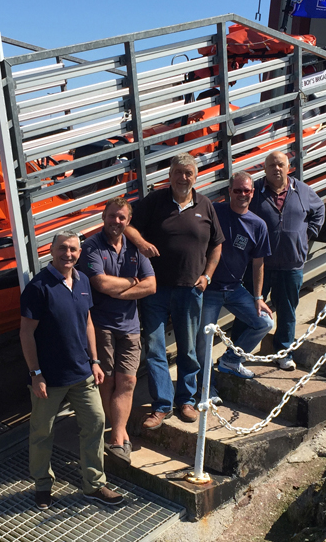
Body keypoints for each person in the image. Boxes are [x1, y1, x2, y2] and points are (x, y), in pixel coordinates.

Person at [19, 231, 124, 510]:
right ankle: (42, 485)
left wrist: (95, 360)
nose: (69, 254)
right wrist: (35, 373)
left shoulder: (83, 281)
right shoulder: (38, 287)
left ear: (79, 253)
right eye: (63, 248)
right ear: (51, 250)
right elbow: (26, 333)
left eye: (74, 250)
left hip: (83, 374)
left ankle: (94, 484)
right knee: (42, 433)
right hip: (49, 379)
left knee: (95, 423)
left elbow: (88, 322)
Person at [124, 153, 224, 428]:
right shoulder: (155, 201)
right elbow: (128, 226)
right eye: (178, 172)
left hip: (190, 288)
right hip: (154, 288)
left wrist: (207, 276)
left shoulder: (205, 205)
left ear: (195, 176)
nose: (183, 178)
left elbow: (217, 244)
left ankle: (186, 401)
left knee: (188, 348)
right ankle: (161, 406)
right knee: (155, 348)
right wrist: (142, 243)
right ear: (169, 176)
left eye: (188, 173)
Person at [79, 198, 156, 463]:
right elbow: (100, 283)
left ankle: (118, 432)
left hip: (131, 327)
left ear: (128, 220)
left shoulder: (134, 247)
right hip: (102, 326)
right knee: (107, 381)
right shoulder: (91, 246)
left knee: (129, 381)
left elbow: (151, 286)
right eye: (112, 216)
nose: (117, 221)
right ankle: (117, 437)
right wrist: (132, 284)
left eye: (122, 217)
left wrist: (120, 289)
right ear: (104, 217)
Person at [235, 151, 325, 370]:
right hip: (259, 265)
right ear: (264, 169)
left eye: (280, 165)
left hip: (291, 264)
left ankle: (283, 352)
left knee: (287, 311)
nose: (276, 169)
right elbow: (238, 214)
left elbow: (320, 209)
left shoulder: (302, 190)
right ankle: (238, 352)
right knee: (248, 309)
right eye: (271, 165)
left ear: (288, 167)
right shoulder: (255, 192)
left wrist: (308, 233)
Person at [196, 172, 274, 400]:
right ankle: (206, 388)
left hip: (234, 288)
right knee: (204, 340)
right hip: (209, 289)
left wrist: (258, 297)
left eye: (246, 191)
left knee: (264, 322)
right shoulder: (215, 211)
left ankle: (231, 360)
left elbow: (259, 264)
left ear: (253, 193)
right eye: (237, 190)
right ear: (229, 191)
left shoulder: (258, 225)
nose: (242, 194)